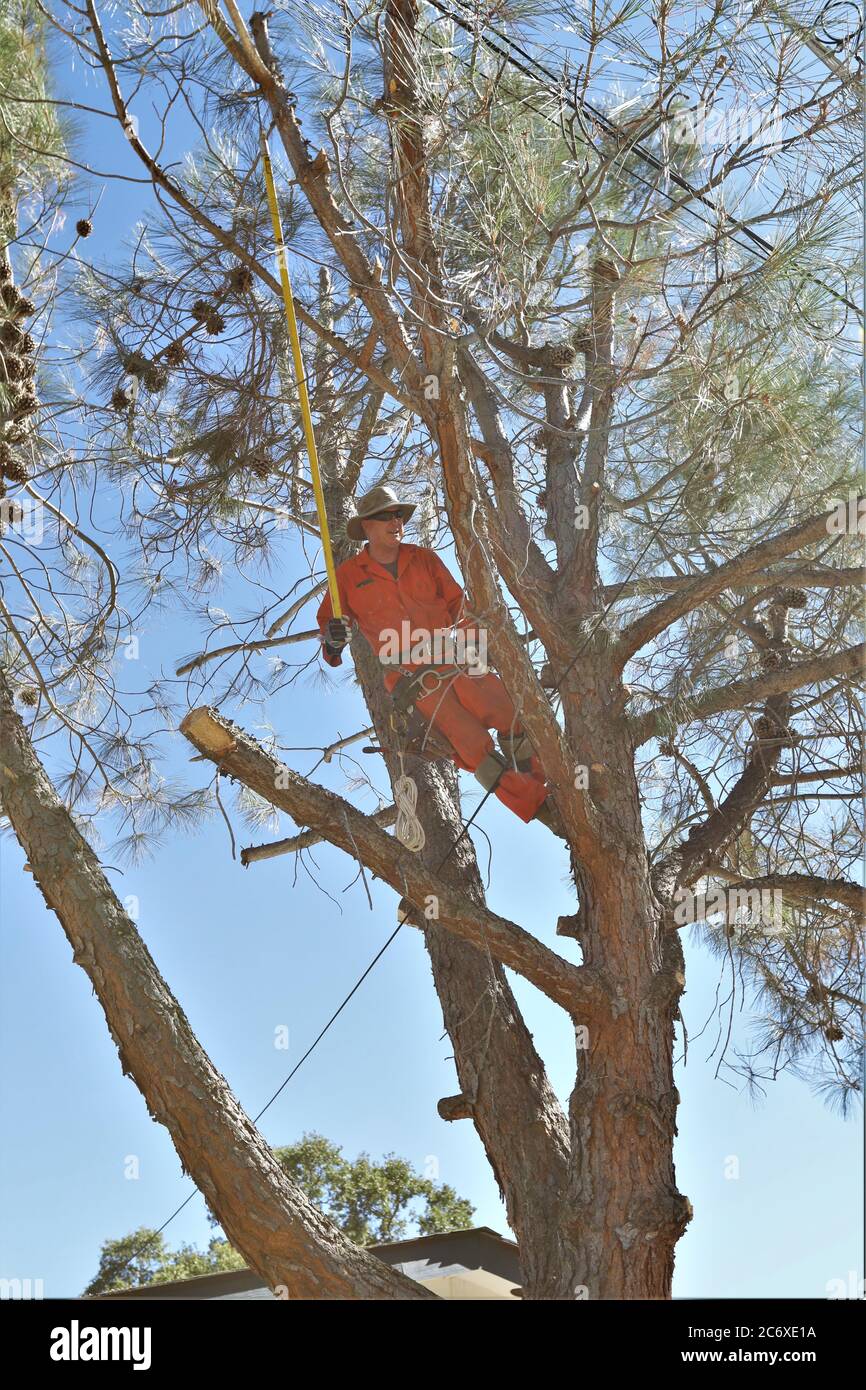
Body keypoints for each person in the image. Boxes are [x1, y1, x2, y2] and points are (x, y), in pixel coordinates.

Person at [316, 484, 562, 831]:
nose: (396, 521)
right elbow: (330, 627)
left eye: (399, 514)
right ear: (367, 526)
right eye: (386, 516)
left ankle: (546, 784)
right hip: (414, 680)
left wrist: (477, 651)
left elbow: (459, 607)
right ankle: (542, 809)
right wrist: (333, 640)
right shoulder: (347, 577)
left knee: (511, 712)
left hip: (454, 655)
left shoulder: (424, 559)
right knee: (473, 749)